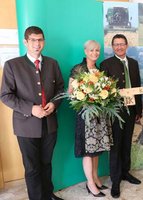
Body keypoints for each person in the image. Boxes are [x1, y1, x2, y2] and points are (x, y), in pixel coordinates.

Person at [0, 26, 64, 200]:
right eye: (33, 40)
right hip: (26, 126)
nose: (37, 44)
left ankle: (47, 194)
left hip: (50, 124)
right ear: (25, 42)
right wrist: (31, 109)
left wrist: (54, 103)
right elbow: (5, 96)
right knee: (32, 167)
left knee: (46, 163)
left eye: (40, 40)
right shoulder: (12, 65)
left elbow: (60, 89)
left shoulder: (52, 63)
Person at [100, 34, 142, 198]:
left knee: (126, 143)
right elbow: (103, 90)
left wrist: (138, 109)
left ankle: (126, 172)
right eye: (116, 45)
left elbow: (137, 85)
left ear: (126, 45)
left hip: (131, 110)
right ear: (112, 47)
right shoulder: (106, 64)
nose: (119, 47)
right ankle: (115, 180)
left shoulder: (133, 63)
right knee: (116, 146)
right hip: (115, 112)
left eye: (121, 44)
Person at [68, 40, 112, 197]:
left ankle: (96, 178)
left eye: (97, 50)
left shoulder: (99, 70)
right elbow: (70, 92)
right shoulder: (78, 69)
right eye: (92, 50)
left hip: (99, 116)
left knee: (97, 149)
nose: (95, 53)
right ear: (85, 51)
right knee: (88, 151)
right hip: (85, 117)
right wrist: (87, 99)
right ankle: (90, 183)